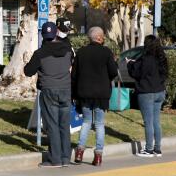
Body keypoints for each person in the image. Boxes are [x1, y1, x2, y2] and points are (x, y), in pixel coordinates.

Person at [26, 21, 74, 167]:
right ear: (56, 33)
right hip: (66, 89)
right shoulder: (68, 50)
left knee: (52, 124)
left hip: (49, 90)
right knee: (65, 125)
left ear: (43, 36)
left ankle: (55, 159)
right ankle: (66, 158)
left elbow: (28, 71)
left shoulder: (40, 53)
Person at [71, 26, 118, 165]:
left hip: (84, 93)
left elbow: (74, 75)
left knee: (86, 122)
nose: (103, 38)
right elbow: (113, 72)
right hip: (101, 94)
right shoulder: (106, 52)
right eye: (103, 36)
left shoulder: (81, 52)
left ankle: (79, 151)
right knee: (99, 124)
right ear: (99, 37)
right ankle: (98, 155)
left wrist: (74, 93)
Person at [129, 34, 168, 157]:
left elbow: (136, 73)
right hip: (160, 91)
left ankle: (149, 149)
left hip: (146, 92)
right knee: (156, 121)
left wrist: (129, 64)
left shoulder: (145, 58)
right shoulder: (162, 58)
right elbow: (164, 74)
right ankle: (157, 148)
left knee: (148, 122)